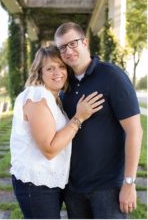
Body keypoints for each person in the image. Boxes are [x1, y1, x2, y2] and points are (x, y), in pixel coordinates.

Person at [54, 22, 143, 219]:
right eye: (62, 47)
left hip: (108, 188)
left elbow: (135, 131)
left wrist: (129, 183)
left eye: (72, 43)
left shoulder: (112, 76)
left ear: (85, 42)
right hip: (74, 187)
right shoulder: (64, 84)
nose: (68, 51)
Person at [10, 46, 105, 219]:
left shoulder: (53, 97)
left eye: (61, 67)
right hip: (36, 184)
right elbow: (49, 149)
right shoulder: (37, 96)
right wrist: (79, 117)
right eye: (50, 68)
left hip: (49, 182)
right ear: (40, 72)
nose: (57, 72)